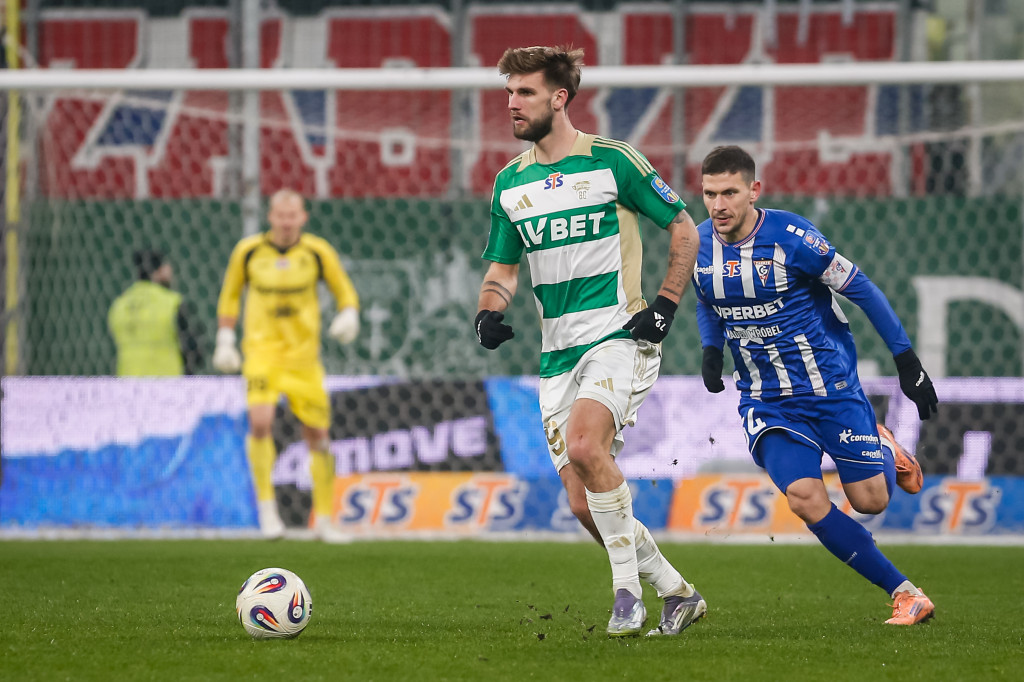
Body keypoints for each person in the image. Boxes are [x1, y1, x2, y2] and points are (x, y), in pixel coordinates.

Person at [475, 45, 704, 638]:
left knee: (583, 445)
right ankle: (678, 592)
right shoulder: (509, 183)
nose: (512, 103)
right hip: (557, 355)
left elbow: (684, 228)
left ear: (559, 98)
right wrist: (488, 311)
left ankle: (627, 596)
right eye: (508, 92)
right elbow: (503, 270)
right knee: (582, 503)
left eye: (525, 92)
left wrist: (665, 305)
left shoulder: (613, 161)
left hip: (618, 335)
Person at [693, 145, 939, 625]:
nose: (718, 205)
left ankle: (884, 447)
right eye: (709, 194)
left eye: (729, 193)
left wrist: (906, 360)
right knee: (805, 498)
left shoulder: (794, 237)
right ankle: (905, 593)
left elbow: (862, 289)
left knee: (871, 501)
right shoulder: (697, 244)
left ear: (754, 190)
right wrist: (710, 347)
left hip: (830, 388)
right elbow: (706, 299)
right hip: (767, 400)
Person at [214, 189, 360, 542]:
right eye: (280, 215)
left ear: (303, 217)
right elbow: (230, 295)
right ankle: (267, 513)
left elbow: (344, 290)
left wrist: (349, 314)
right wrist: (225, 339)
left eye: (292, 215)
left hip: (304, 360)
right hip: (262, 354)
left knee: (318, 436)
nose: (286, 222)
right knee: (260, 423)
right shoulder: (248, 251)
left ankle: (323, 520)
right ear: (270, 217)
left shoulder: (317, 251)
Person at [108, 249, 204, 376]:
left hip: (127, 381)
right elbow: (193, 350)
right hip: (166, 381)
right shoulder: (172, 303)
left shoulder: (119, 305)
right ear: (160, 271)